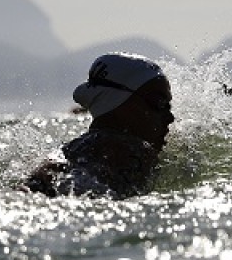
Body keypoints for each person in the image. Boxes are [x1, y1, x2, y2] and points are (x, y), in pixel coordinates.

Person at [21, 53, 174, 199]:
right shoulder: (128, 151)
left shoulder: (72, 150)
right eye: (158, 103)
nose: (169, 117)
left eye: (168, 106)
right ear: (118, 102)